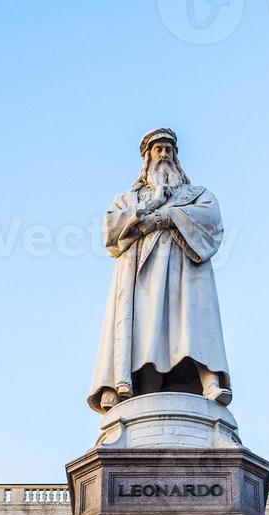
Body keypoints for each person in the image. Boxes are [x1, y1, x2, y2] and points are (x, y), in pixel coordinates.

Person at [88, 127, 231, 413]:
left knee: (191, 324)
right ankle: (141, 393)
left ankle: (209, 379)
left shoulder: (197, 193)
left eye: (169, 149)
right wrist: (151, 205)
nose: (164, 154)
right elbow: (110, 231)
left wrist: (168, 215)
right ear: (147, 158)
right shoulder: (128, 199)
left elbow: (211, 219)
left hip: (186, 271)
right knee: (146, 327)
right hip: (142, 273)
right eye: (158, 150)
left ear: (176, 156)